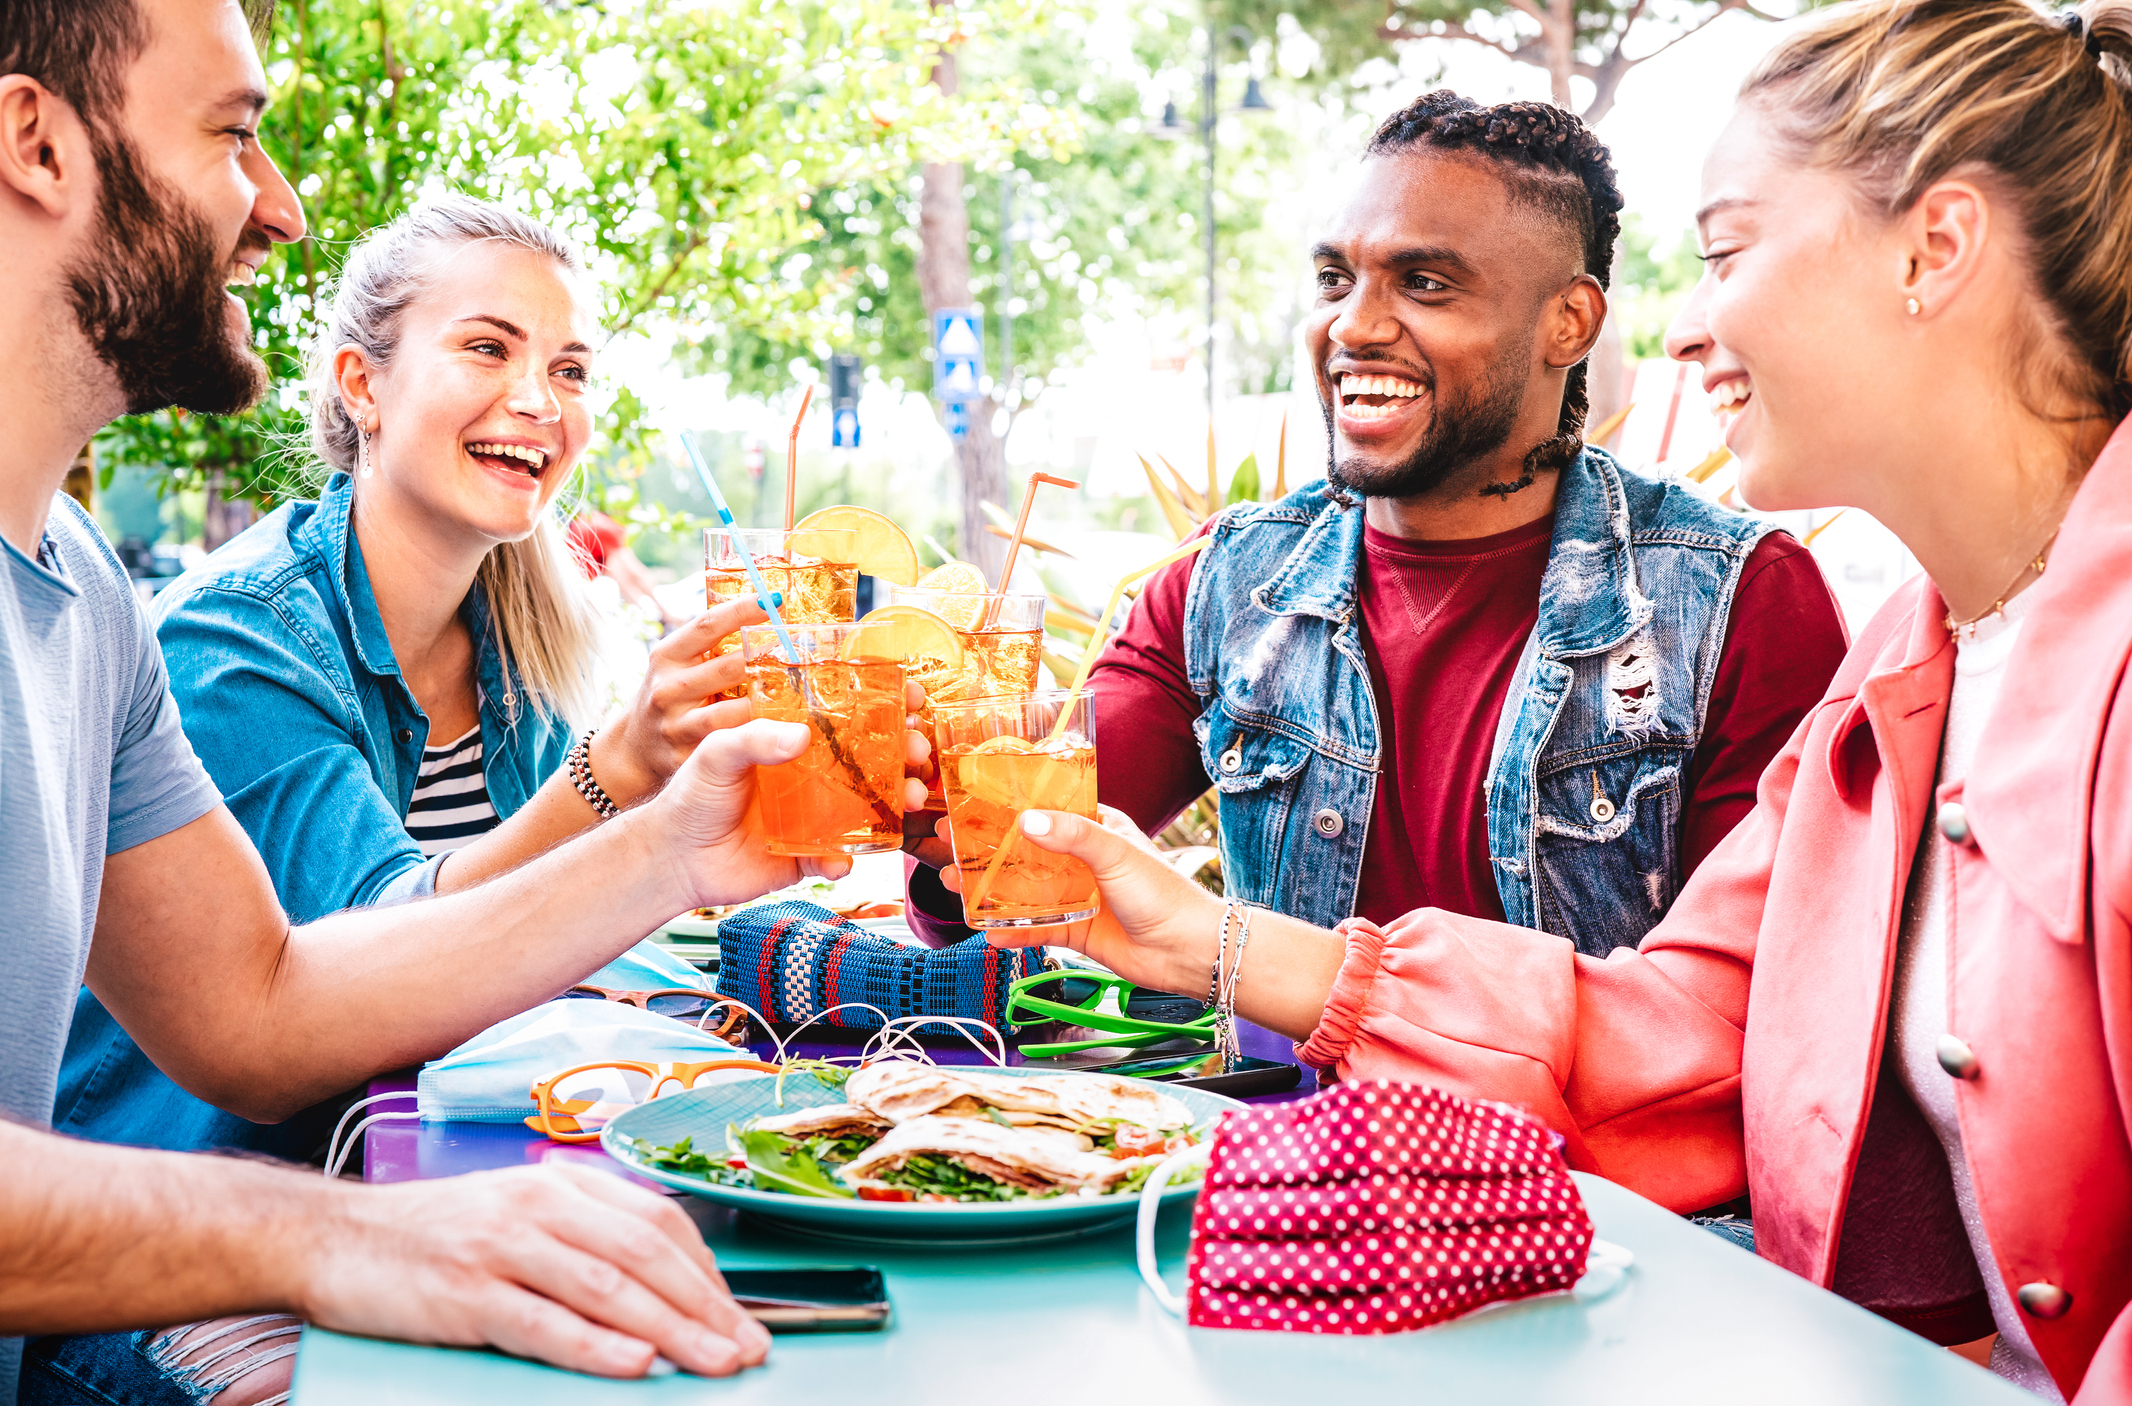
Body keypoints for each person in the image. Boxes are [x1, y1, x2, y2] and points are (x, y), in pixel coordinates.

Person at [964, 0, 2132, 1397]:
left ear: (1935, 251)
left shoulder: (1770, 607)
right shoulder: (1903, 676)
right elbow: (1675, 1032)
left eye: (1728, 251)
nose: (1691, 321)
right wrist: (1201, 936)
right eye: (1335, 275)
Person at [0, 1, 919, 1399]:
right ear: (35, 144)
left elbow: (257, 1008)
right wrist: (345, 1234)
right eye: (235, 135)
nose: (283, 210)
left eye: (563, 366)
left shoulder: (86, 597)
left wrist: (675, 848)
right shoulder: (232, 629)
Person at [907, 92, 1848, 964]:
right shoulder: (1228, 583)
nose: (1353, 326)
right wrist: (940, 811)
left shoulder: (1737, 603)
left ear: (1569, 323)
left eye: (1425, 284)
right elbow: (1010, 873)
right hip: (1272, 1145)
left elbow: (1745, 1004)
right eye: (1333, 279)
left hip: (1575, 1150)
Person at [56, 194, 780, 1165]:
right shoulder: (238, 640)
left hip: (440, 1147)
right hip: (200, 1197)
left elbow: (533, 943)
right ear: (363, 385)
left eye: (570, 370)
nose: (541, 399)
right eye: (488, 348)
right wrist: (614, 777)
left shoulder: (521, 634)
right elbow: (377, 950)